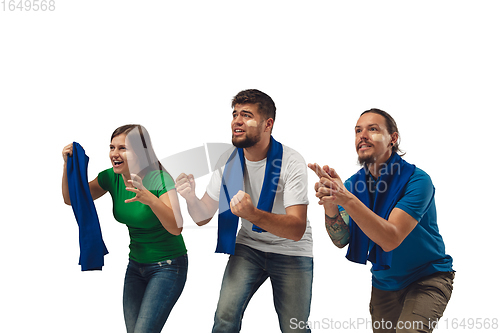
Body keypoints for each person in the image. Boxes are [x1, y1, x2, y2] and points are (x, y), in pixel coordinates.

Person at [175, 89, 313, 333]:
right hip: (249, 247)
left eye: (246, 115)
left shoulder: (291, 161)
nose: (237, 121)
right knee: (224, 319)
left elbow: (296, 229)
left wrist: (252, 214)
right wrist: (190, 198)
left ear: (268, 124)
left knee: (295, 329)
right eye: (235, 114)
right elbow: (202, 216)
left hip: (291, 251)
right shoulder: (228, 161)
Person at [309, 109, 454, 333]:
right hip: (384, 283)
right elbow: (341, 239)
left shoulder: (417, 181)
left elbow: (391, 238)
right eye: (358, 130)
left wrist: (346, 198)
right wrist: (331, 204)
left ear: (393, 139)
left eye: (372, 129)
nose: (362, 136)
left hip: (427, 277)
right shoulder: (353, 186)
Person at [62, 124, 187, 333]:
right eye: (112, 147)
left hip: (168, 266)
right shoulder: (111, 177)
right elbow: (72, 199)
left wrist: (151, 200)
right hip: (136, 266)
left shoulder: (159, 179)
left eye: (122, 148)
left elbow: (176, 227)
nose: (114, 154)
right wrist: (68, 167)